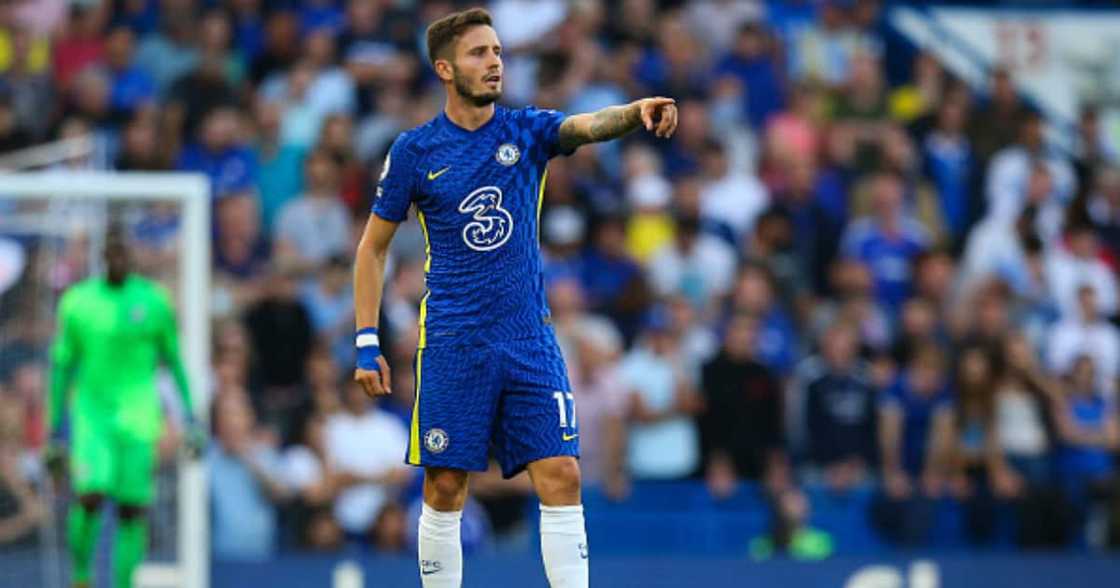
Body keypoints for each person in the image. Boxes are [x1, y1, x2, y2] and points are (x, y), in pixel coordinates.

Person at [351, 9, 679, 587]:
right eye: (479, 53)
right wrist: (366, 341)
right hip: (454, 342)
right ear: (445, 69)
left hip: (529, 337)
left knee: (562, 473)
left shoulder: (525, 130)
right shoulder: (415, 151)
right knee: (445, 484)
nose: (495, 62)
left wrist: (633, 112)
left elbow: (587, 125)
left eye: (498, 51)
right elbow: (372, 249)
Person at [47, 231, 200, 588]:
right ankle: (81, 576)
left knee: (132, 509)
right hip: (93, 416)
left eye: (123, 253)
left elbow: (174, 361)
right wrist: (54, 428)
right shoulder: (78, 301)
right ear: (103, 257)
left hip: (139, 417)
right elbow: (63, 367)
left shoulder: (153, 301)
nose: (118, 259)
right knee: (91, 494)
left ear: (132, 257)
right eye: (112, 253)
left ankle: (123, 583)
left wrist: (191, 416)